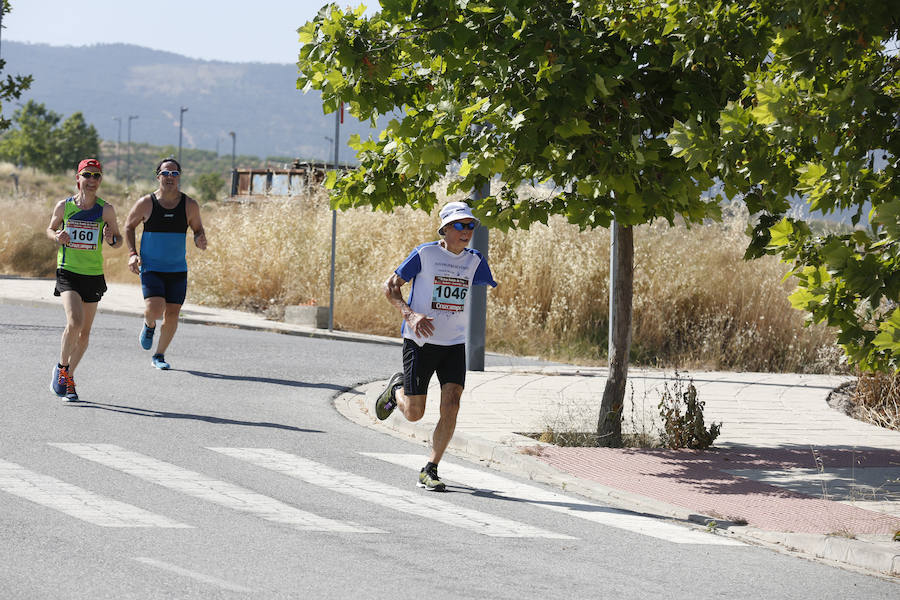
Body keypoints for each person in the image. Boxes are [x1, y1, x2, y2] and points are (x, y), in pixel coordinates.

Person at [375, 201, 497, 491]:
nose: (467, 230)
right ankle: (396, 390)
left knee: (452, 404)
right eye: (460, 225)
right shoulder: (425, 254)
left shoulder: (475, 260)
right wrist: (410, 314)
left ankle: (431, 467)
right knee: (415, 413)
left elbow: (479, 284)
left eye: (471, 225)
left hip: (454, 343)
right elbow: (389, 287)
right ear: (445, 228)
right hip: (421, 341)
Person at [47, 158, 123, 401]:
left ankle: (69, 375)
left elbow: (118, 240)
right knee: (75, 322)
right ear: (77, 178)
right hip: (68, 270)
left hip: (93, 274)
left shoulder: (106, 209)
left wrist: (111, 238)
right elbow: (50, 229)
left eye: (96, 176)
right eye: (87, 175)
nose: (92, 180)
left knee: (85, 333)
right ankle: (61, 368)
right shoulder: (64, 206)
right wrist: (57, 236)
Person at [124, 158, 207, 370]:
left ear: (180, 177)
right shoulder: (146, 203)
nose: (170, 177)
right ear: (158, 176)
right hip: (152, 267)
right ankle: (149, 325)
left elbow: (198, 229)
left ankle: (159, 355)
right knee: (154, 309)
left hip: (177, 269)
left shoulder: (189, 205)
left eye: (174, 174)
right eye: (166, 173)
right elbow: (128, 227)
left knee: (172, 313)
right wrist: (132, 253)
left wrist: (199, 238)